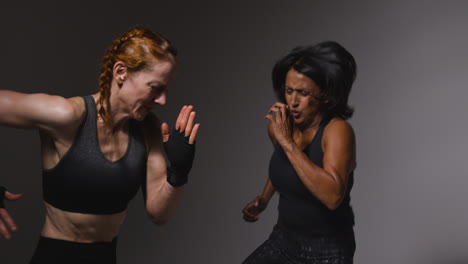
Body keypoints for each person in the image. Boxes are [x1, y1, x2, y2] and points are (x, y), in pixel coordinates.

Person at [0, 26, 199, 264]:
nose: (163, 100)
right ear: (121, 72)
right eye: (155, 88)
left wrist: (178, 174)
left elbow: (159, 214)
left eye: (166, 90)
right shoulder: (67, 116)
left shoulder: (149, 129)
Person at [242, 41, 357, 263]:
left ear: (326, 96)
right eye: (289, 91)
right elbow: (285, 164)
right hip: (284, 239)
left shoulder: (337, 131)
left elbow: (333, 197)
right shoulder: (281, 128)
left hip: (328, 251)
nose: (293, 102)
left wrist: (288, 143)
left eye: (303, 93)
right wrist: (264, 199)